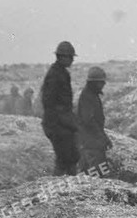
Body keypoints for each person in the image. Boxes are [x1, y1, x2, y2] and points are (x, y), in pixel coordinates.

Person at [41, 40, 79, 175]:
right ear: (62, 57)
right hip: (57, 124)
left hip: (61, 123)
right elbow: (50, 102)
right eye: (70, 57)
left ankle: (70, 187)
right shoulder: (55, 74)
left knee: (71, 157)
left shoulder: (61, 72)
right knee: (65, 159)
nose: (72, 61)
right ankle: (60, 189)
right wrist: (67, 121)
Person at [77, 66, 113, 173]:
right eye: (101, 82)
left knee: (96, 173)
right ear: (93, 83)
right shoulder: (87, 96)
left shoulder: (92, 95)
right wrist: (102, 137)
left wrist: (104, 138)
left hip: (93, 143)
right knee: (97, 174)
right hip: (90, 145)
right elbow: (88, 120)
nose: (104, 85)